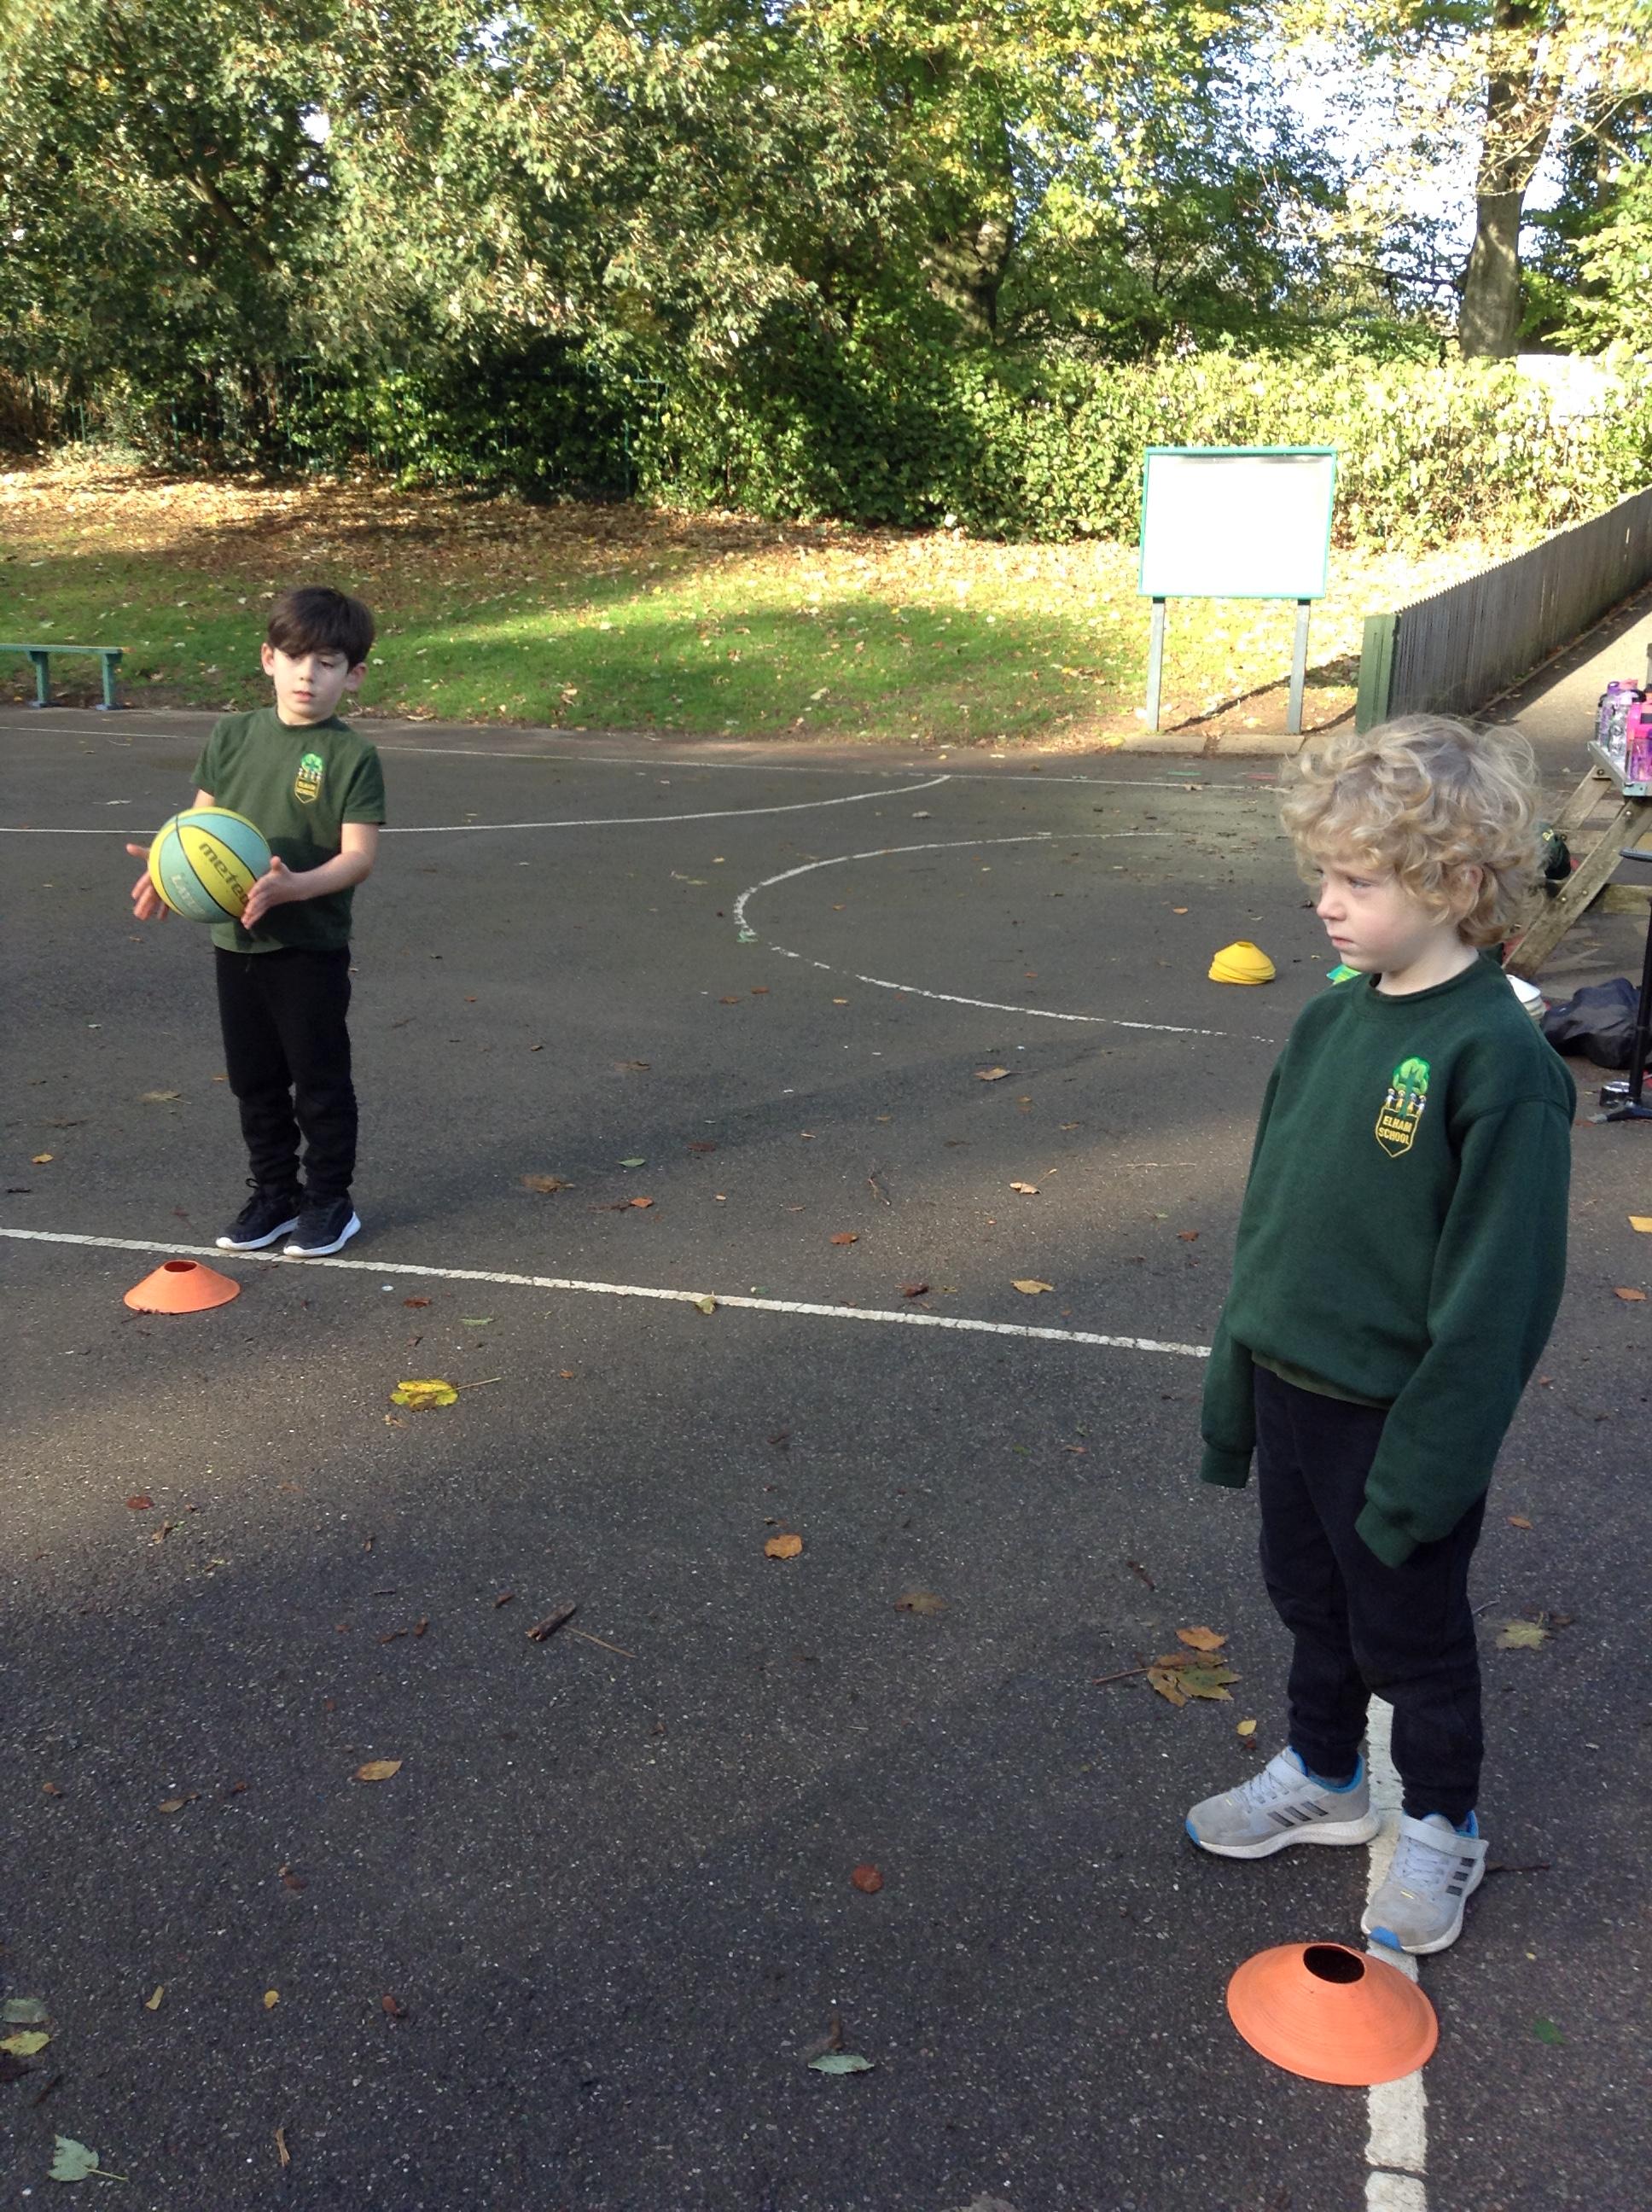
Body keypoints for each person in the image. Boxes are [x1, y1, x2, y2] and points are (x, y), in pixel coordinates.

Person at [1185, 714, 1573, 1955]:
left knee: (1410, 1633)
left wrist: (1429, 1468)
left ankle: (1445, 1824)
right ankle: (1327, 1774)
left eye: (1357, 880)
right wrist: (1236, 1382)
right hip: (1293, 1392)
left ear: (1454, 882)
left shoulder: (1497, 1063)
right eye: (1324, 875)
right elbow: (1274, 1222)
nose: (1325, 904)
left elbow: (1499, 1304)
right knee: (1309, 1599)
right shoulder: (1328, 1023)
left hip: (1398, 1422)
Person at [127, 586, 385, 1259]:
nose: (308, 675)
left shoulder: (351, 756)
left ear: (354, 675)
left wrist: (296, 886)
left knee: (318, 1081)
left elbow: (358, 857)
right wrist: (167, 869)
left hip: (308, 945)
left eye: (327, 663)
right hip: (235, 939)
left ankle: (329, 1201)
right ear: (269, 659)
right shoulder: (232, 735)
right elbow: (197, 825)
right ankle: (275, 1193)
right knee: (254, 1080)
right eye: (296, 658)